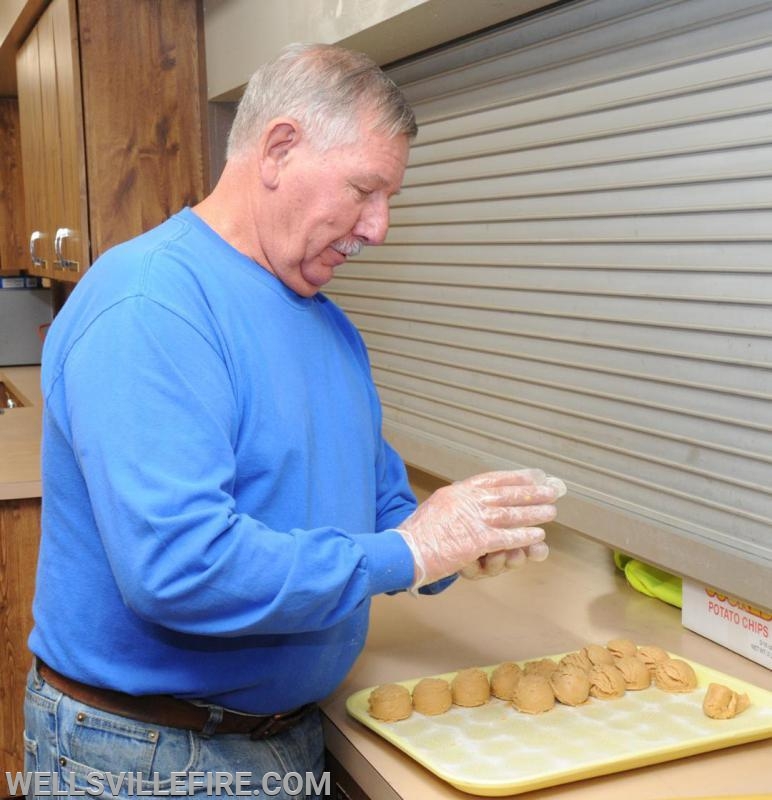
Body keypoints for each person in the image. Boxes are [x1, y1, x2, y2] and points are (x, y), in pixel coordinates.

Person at [24, 43, 565, 798]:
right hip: (144, 755)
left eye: (389, 201)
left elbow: (375, 503)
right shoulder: (152, 306)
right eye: (364, 190)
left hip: (279, 735)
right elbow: (181, 569)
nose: (379, 228)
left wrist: (454, 543)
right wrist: (408, 552)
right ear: (279, 148)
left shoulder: (327, 323)